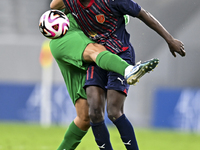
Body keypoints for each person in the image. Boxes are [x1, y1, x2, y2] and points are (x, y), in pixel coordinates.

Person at [50, 0, 185, 150]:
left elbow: (143, 14)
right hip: (98, 60)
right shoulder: (71, 2)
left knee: (113, 112)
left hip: (121, 54)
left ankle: (128, 70)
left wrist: (169, 39)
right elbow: (53, 6)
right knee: (94, 112)